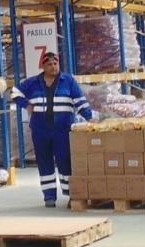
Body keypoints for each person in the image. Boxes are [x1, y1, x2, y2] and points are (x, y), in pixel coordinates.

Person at [12, 52, 92, 208]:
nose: (53, 67)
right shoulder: (33, 82)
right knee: (44, 161)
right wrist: (26, 105)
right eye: (49, 64)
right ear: (43, 66)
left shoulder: (67, 81)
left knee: (64, 161)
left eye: (55, 63)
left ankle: (70, 195)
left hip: (62, 130)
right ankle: (49, 196)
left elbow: (80, 101)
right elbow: (14, 92)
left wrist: (90, 118)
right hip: (40, 130)